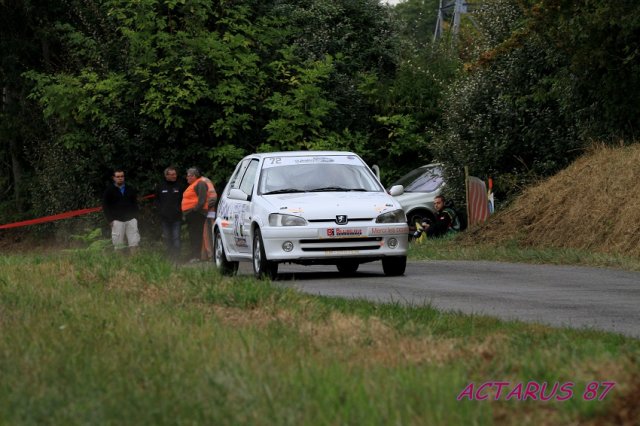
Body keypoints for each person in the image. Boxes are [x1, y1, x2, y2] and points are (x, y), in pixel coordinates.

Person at [181, 167, 217, 262]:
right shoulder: (193, 184)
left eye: (188, 176)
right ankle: (196, 255)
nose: (187, 178)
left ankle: (197, 256)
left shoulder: (200, 183)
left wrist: (194, 210)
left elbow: (202, 200)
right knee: (193, 235)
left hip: (196, 213)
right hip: (193, 214)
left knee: (196, 235)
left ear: (194, 176)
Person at [103, 169, 140, 252]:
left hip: (131, 220)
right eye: (118, 176)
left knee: (134, 243)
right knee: (118, 245)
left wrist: (136, 217)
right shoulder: (109, 191)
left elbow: (135, 204)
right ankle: (119, 263)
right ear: (114, 178)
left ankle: (135, 261)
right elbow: (105, 206)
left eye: (122, 176)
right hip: (117, 221)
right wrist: (110, 220)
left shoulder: (130, 189)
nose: (120, 178)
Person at [155, 166, 184, 260]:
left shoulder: (180, 186)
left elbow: (183, 200)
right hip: (164, 218)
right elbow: (157, 200)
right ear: (166, 175)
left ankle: (177, 259)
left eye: (175, 174)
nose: (174, 176)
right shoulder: (160, 186)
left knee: (176, 238)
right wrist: (161, 211)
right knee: (167, 238)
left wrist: (179, 210)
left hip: (176, 217)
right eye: (171, 174)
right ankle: (169, 258)